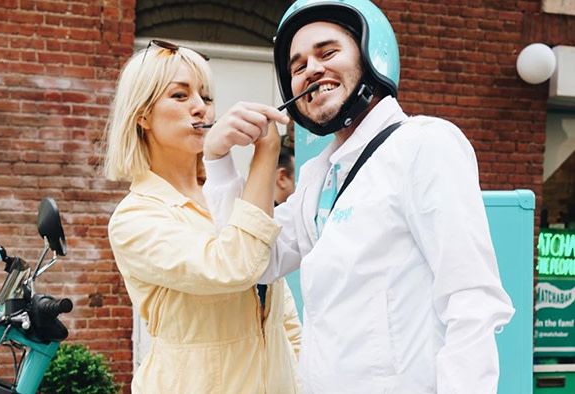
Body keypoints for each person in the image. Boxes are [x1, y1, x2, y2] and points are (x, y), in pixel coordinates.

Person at [202, 0, 515, 393]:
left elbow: (472, 299)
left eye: (328, 52)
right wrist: (217, 161)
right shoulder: (319, 177)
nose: (311, 70)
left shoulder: (424, 145)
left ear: (371, 55)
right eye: (297, 67)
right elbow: (254, 261)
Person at [104, 39, 301, 393]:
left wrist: (299, 379)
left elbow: (283, 314)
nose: (202, 109)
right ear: (142, 116)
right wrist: (266, 153)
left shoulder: (230, 195)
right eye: (180, 96)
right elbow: (234, 266)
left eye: (207, 97)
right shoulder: (135, 218)